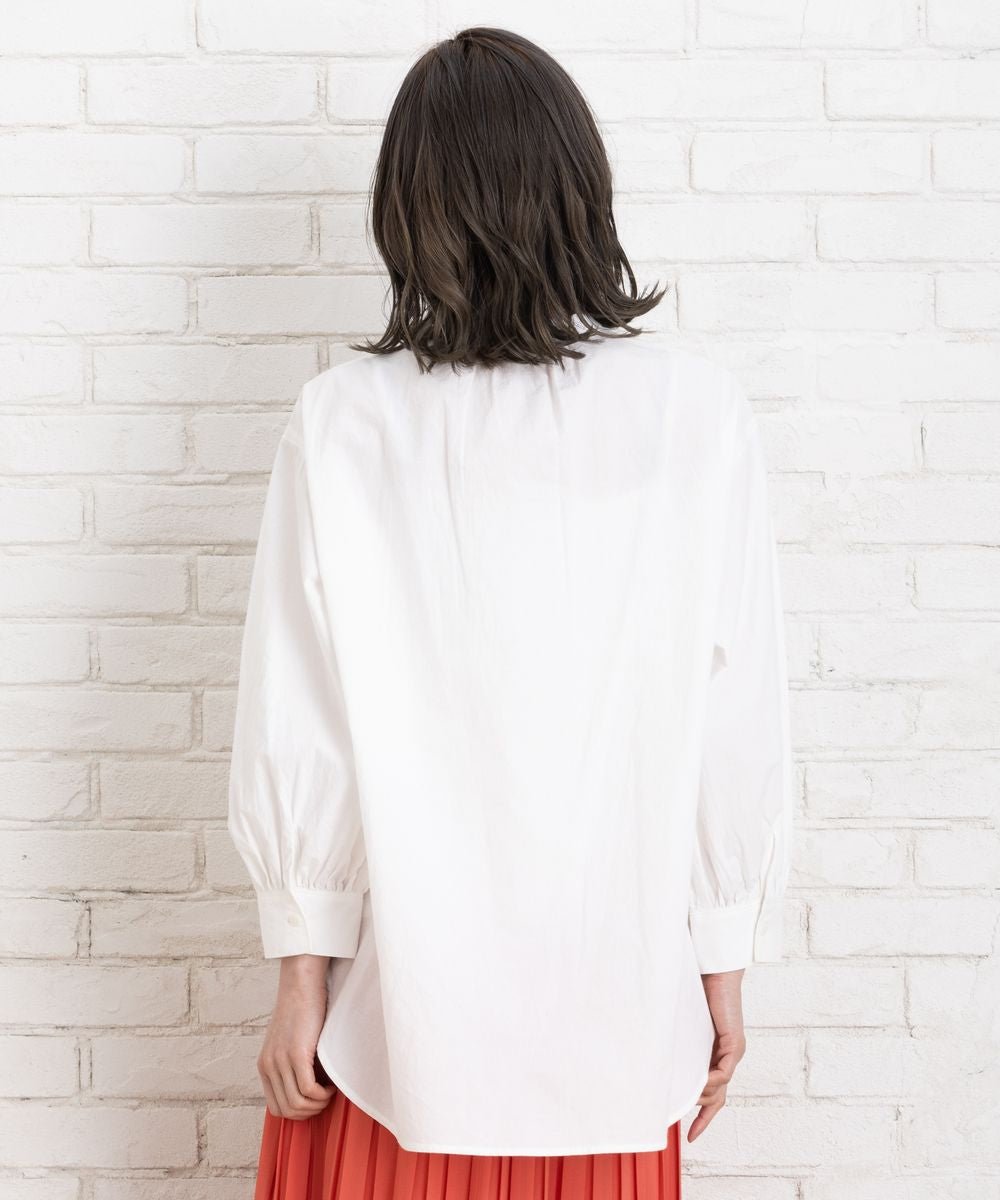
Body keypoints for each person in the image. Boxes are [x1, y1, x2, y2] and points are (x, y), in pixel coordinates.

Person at [227, 25, 795, 1200]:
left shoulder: (344, 423)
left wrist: (299, 978)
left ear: (410, 212)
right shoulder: (693, 415)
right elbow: (731, 723)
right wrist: (721, 965)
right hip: (615, 1024)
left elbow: (300, 724)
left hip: (395, 1037)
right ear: (579, 190)